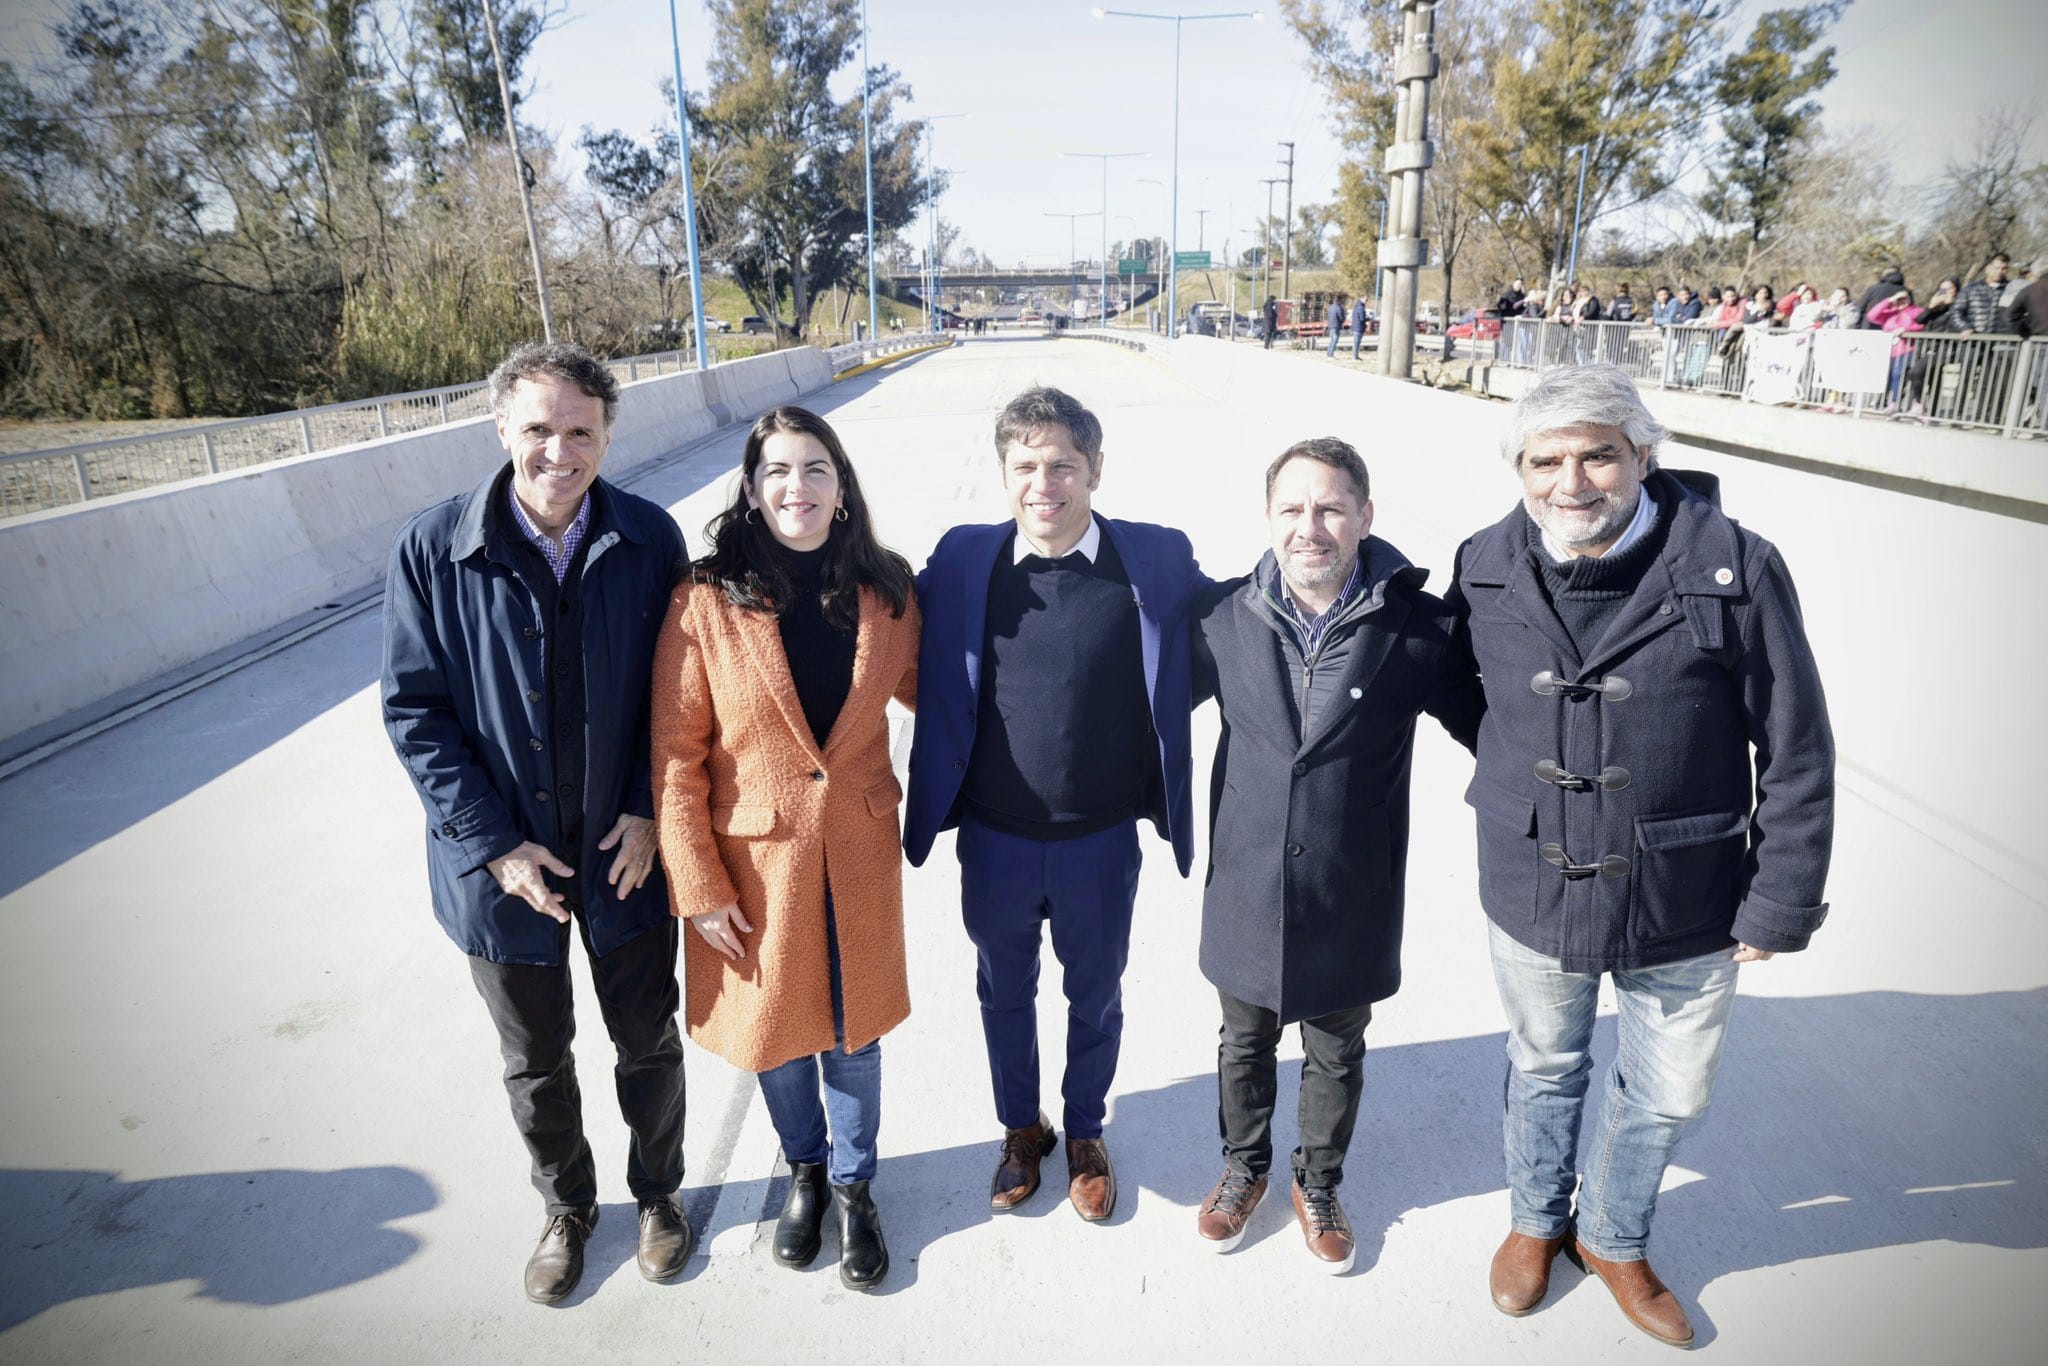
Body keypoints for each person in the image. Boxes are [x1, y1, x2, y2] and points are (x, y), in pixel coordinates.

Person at [1450, 364, 1834, 1348]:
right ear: (1518, 468)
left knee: (1668, 1088)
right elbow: (1476, 702)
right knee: (1543, 1064)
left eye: (1596, 454)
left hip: (1685, 892)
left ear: (1642, 456)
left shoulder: (1735, 567)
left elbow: (1792, 745)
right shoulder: (1481, 565)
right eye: (1545, 459)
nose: (1569, 480)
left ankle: (1612, 1235)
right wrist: (1527, 782)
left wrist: (1777, 898)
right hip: (1533, 881)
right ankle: (1536, 1222)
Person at [380, 340, 693, 1303]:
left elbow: (679, 697)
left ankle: (659, 1196)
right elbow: (415, 711)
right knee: (534, 1058)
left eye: (580, 431)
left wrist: (647, 806)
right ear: (500, 429)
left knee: (648, 1039)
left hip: (623, 857)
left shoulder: (650, 538)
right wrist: (492, 844)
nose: (560, 451)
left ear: (607, 433)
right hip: (501, 872)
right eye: (538, 430)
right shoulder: (434, 549)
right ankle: (567, 1206)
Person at [904, 386, 1204, 1224]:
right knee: (1002, 989)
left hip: (1100, 840)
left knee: (1096, 992)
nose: (1046, 483)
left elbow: (1232, 631)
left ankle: (1084, 1131)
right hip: (995, 840)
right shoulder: (963, 560)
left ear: (1096, 470)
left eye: (1063, 465)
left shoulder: (1156, 558)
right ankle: (1019, 1127)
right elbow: (879, 618)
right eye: (1026, 466)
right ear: (1003, 474)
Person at [1187, 438, 1480, 1274]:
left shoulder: (1420, 627)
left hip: (1352, 885)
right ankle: (1243, 1169)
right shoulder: (1222, 617)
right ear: (1269, 518)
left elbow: (1494, 729)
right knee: (1242, 1043)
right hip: (1246, 880)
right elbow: (1137, 696)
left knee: (1336, 1049)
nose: (1309, 526)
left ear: (1364, 516)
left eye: (1330, 508)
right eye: (1292, 508)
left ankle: (1318, 1181)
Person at [651, 406, 919, 1293]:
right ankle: (804, 1172)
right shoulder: (705, 598)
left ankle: (856, 1186)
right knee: (774, 1038)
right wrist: (696, 883)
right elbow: (675, 757)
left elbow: (943, 694)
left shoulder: (888, 590)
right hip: (754, 864)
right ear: (752, 487)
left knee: (852, 1036)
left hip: (857, 851)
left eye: (814, 469)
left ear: (842, 488)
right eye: (776, 471)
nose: (795, 487)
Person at [1954, 254, 2012, 335]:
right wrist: (1965, 327)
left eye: (2004, 269)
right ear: (1988, 268)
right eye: (1996, 268)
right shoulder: (1971, 289)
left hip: (2000, 342)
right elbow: (1956, 311)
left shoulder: (2011, 289)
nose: (1999, 272)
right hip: (1974, 341)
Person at [1350, 295, 1370, 360]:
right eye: (1366, 300)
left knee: (1357, 343)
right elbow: (1362, 318)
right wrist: (1368, 318)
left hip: (1356, 327)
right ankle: (1354, 357)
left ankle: (1356, 356)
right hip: (1358, 328)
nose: (1367, 302)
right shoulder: (1360, 307)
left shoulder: (1357, 306)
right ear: (1362, 299)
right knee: (1356, 344)